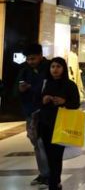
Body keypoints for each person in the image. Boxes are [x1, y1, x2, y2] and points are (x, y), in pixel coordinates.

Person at [38, 57, 80, 190]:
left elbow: (76, 104)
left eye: (58, 67)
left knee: (56, 156)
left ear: (63, 69)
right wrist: (44, 100)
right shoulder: (46, 83)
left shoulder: (70, 85)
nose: (55, 70)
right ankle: (53, 181)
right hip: (45, 124)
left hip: (61, 125)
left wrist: (64, 102)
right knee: (49, 156)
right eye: (52, 67)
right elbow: (37, 102)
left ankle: (54, 183)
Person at [18, 43, 51, 188]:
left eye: (33, 58)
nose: (30, 61)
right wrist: (21, 89)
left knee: (44, 144)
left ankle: (49, 175)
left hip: (46, 112)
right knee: (37, 144)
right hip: (31, 112)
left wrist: (34, 89)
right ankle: (44, 173)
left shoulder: (51, 67)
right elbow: (16, 90)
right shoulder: (25, 70)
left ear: (40, 55)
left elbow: (55, 87)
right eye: (28, 59)